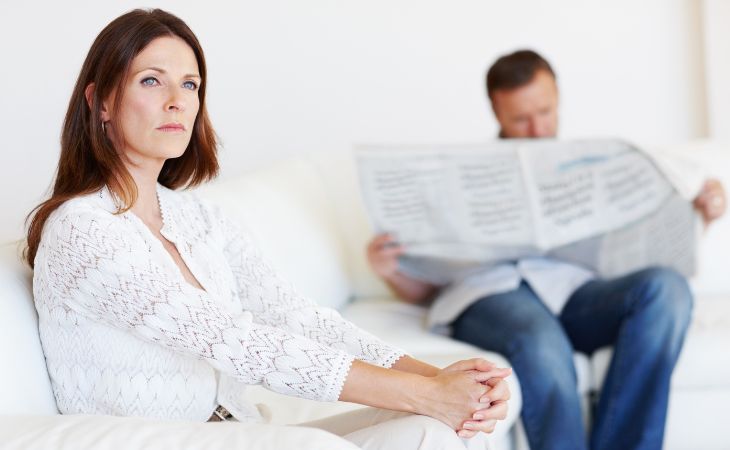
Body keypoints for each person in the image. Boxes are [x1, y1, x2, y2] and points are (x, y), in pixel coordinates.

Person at [26, 9, 513, 450]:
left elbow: (295, 318)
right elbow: (239, 343)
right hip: (164, 441)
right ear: (102, 101)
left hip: (242, 428)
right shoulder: (82, 231)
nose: (177, 101)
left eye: (190, 84)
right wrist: (429, 393)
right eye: (151, 81)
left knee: (435, 428)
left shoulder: (199, 216)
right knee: (429, 420)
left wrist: (443, 379)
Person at [367, 49, 727, 450]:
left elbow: (644, 251)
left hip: (574, 292)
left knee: (667, 288)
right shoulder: (455, 178)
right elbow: (427, 292)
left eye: (546, 111)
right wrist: (389, 270)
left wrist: (699, 217)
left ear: (558, 98)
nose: (537, 129)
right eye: (521, 118)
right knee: (540, 339)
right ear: (496, 110)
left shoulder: (593, 169)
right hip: (492, 296)